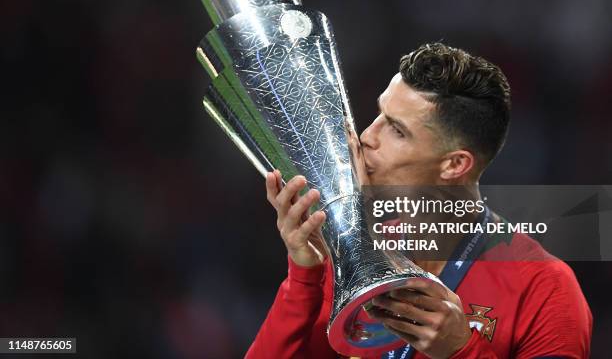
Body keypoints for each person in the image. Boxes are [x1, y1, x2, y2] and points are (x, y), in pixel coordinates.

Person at [246, 43, 592, 358]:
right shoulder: (350, 257)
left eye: (396, 130)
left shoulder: (545, 288)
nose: (367, 136)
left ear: (455, 164)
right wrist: (305, 273)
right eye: (379, 114)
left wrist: (460, 351)